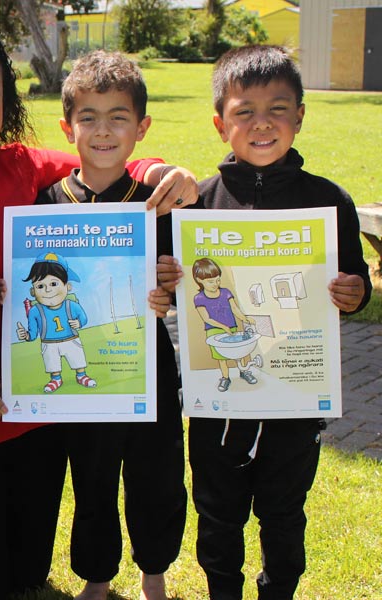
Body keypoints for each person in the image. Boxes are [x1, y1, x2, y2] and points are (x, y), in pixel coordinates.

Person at [0, 12, 196, 599]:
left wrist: (163, 172)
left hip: (35, 413)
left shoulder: (25, 167)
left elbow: (108, 166)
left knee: (27, 576)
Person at [161, 45, 371, 600]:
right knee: (217, 507)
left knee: (284, 509)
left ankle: (280, 589)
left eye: (278, 109)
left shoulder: (329, 202)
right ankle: (223, 589)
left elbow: (353, 281)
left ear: (299, 116)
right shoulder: (196, 204)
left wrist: (356, 291)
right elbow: (170, 289)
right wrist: (164, 276)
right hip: (218, 399)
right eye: (244, 111)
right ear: (219, 122)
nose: (262, 123)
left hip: (296, 398)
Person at [35, 50, 186, 600]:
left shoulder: (160, 204)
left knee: (158, 477)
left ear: (141, 127)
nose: (103, 131)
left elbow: (183, 284)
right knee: (92, 478)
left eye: (118, 117)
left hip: (148, 366)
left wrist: (168, 286)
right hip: (85, 374)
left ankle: (154, 574)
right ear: (67, 127)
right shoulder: (45, 204)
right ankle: (96, 577)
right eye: (89, 118)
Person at [17, 252, 97, 392]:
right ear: (32, 291)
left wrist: (79, 323)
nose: (48, 290)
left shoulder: (71, 305)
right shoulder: (35, 311)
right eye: (40, 286)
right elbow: (33, 333)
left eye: (54, 284)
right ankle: (56, 379)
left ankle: (81, 375)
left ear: (68, 286)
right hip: (49, 343)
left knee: (77, 357)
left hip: (70, 339)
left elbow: (83, 317)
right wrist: (25, 336)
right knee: (51, 361)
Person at [191, 257, 258, 392]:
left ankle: (244, 372)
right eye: (210, 281)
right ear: (199, 280)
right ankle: (225, 378)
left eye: (218, 280)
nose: (215, 284)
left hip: (231, 328)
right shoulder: (199, 298)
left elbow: (235, 309)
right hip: (214, 331)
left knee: (241, 351)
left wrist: (245, 318)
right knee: (222, 358)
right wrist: (223, 327)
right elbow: (206, 318)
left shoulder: (226, 292)